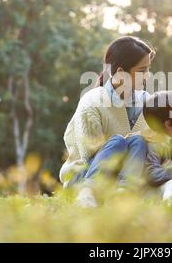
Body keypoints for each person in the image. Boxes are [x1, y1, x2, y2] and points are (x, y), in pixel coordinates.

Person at [59, 36, 154, 207]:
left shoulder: (146, 101)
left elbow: (165, 129)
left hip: (123, 181)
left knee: (138, 141)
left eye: (148, 69)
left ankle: (123, 193)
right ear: (120, 72)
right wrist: (138, 137)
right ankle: (89, 193)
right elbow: (90, 153)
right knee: (118, 141)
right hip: (86, 175)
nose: (147, 76)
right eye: (142, 71)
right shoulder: (92, 101)